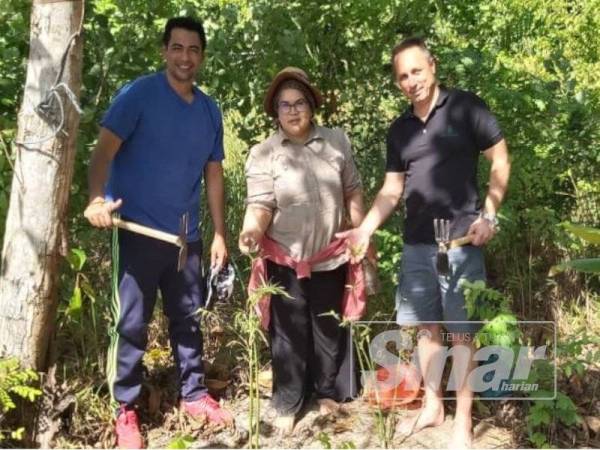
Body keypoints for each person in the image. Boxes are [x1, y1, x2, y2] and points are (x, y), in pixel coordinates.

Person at [337, 38, 511, 448]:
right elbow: (391, 190)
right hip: (417, 246)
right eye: (402, 76)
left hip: (463, 243)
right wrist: (365, 230)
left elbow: (500, 159)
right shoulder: (399, 131)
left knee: (462, 334)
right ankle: (434, 406)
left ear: (432, 66)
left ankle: (463, 424)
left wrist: (489, 215)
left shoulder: (467, 108)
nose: (411, 81)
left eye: (416, 71)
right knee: (427, 330)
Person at [83, 17, 232, 449]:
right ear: (165, 50)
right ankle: (125, 409)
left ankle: (195, 394)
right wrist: (96, 199)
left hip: (186, 237)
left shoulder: (209, 110)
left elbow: (214, 175)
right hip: (136, 230)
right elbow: (102, 154)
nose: (186, 57)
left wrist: (219, 232)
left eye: (194, 50)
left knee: (188, 318)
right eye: (178, 48)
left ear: (202, 56)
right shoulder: (138, 95)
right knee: (131, 323)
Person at [238, 67, 371, 435]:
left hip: (331, 253)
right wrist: (251, 231)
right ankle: (289, 400)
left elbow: (353, 189)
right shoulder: (264, 153)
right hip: (285, 258)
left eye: (299, 103)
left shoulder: (336, 142)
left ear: (311, 106)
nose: (293, 111)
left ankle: (327, 391)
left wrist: (359, 231)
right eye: (285, 105)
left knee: (328, 325)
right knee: (288, 332)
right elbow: (260, 204)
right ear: (275, 111)